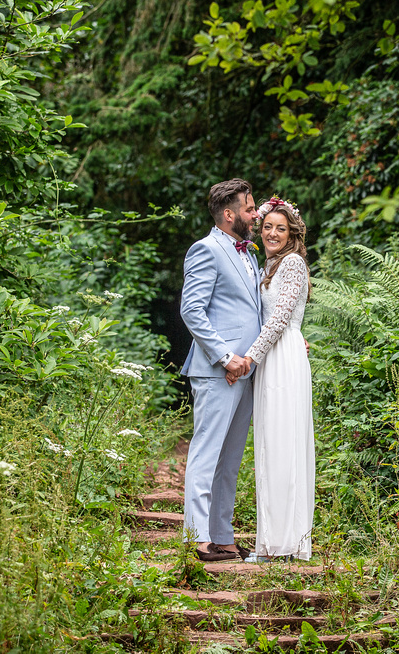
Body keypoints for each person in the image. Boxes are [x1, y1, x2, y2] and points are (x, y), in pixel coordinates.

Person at [179, 178, 262, 562]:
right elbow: (191, 310)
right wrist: (226, 357)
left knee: (230, 461)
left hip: (247, 372)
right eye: (249, 209)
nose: (255, 214)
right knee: (206, 454)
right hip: (217, 371)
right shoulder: (206, 250)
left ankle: (223, 537)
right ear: (229, 215)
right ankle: (197, 538)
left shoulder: (251, 254)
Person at [228, 196, 314, 561]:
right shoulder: (270, 265)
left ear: (291, 232)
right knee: (270, 445)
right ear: (259, 230)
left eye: (281, 228)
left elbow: (280, 320)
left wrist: (250, 357)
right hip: (275, 357)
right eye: (267, 227)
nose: (273, 233)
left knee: (282, 446)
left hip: (281, 359)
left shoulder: (292, 263)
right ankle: (274, 540)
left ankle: (283, 542)